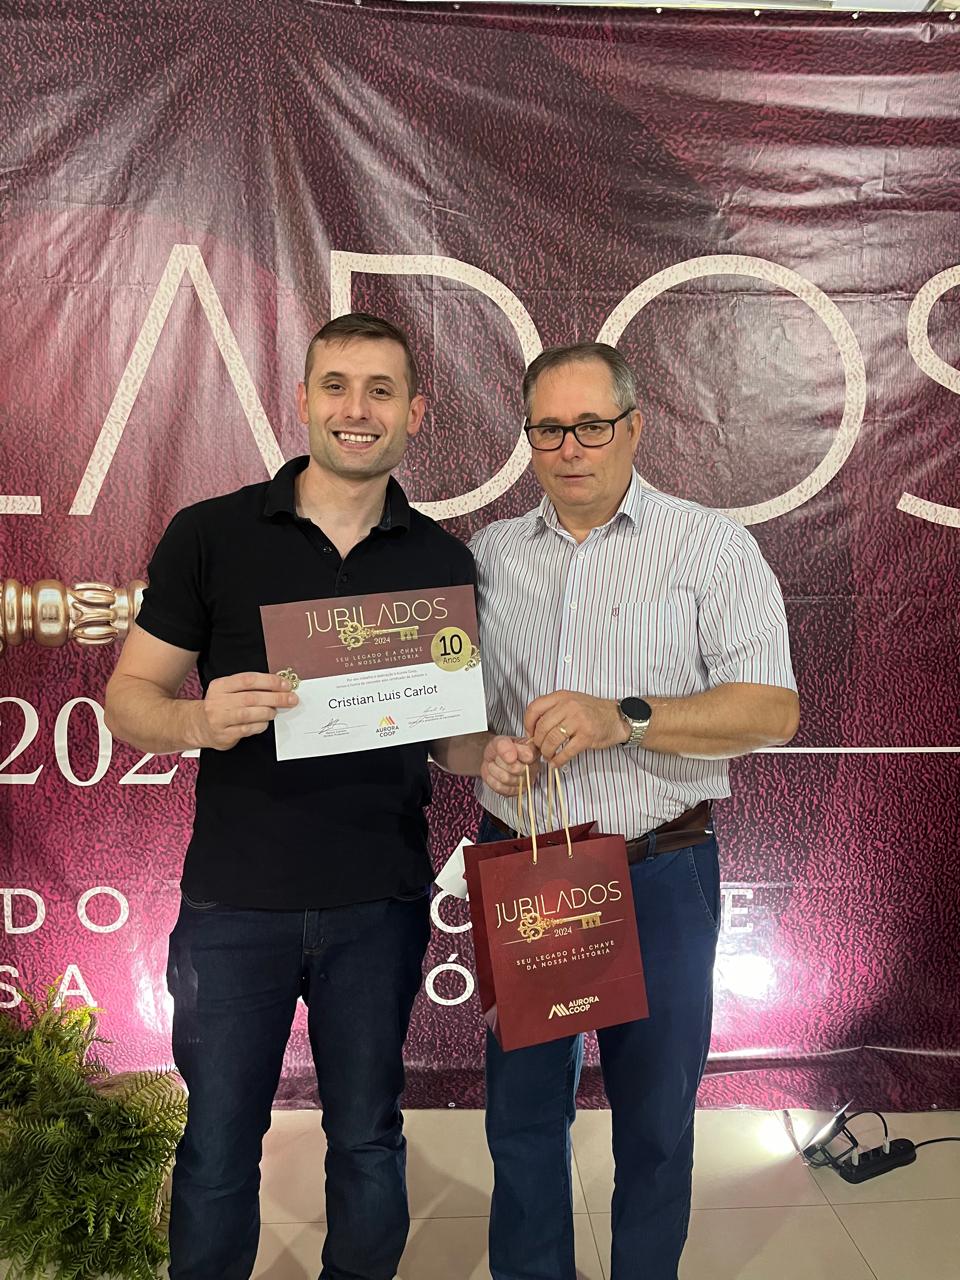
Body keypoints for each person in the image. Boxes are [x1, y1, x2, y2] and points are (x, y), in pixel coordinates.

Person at [104, 313, 519, 1280]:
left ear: (415, 412)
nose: (355, 409)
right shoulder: (211, 534)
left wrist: (490, 752)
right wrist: (201, 720)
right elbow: (129, 702)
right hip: (234, 904)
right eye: (336, 385)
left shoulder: (440, 561)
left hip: (378, 901)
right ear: (301, 400)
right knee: (218, 1145)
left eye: (381, 390)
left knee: (368, 1136)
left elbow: (446, 735)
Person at [469, 342, 800, 1280]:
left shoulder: (710, 546)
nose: (570, 448)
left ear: (634, 428)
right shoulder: (490, 557)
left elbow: (772, 711)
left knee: (655, 1123)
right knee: (521, 1118)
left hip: (659, 868)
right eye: (548, 430)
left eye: (591, 426)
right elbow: (446, 715)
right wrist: (479, 747)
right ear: (527, 437)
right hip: (529, 868)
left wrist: (627, 718)